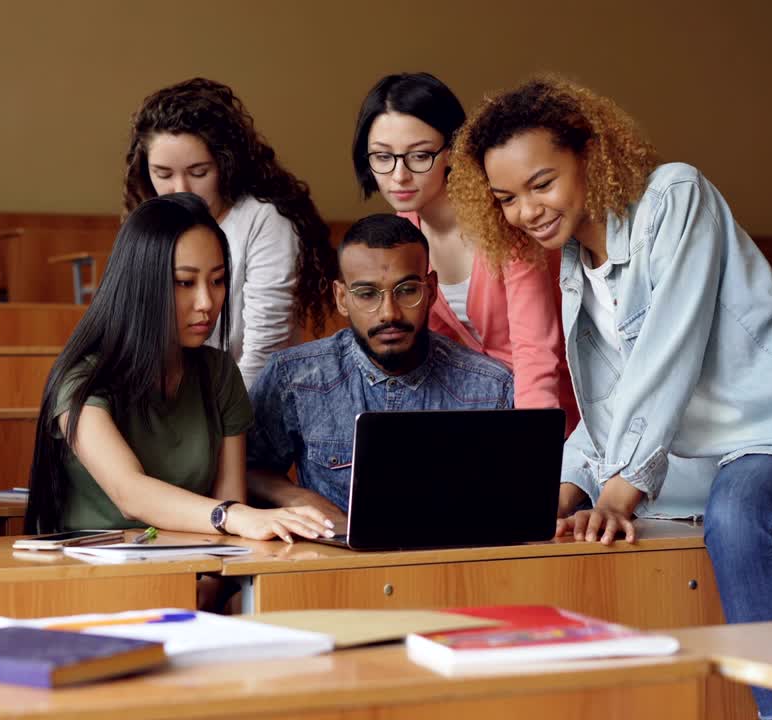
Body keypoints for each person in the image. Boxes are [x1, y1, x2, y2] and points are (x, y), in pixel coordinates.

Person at [453, 76, 772, 719]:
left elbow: (669, 349)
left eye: (542, 183)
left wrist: (621, 489)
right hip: (764, 442)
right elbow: (611, 403)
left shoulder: (674, 195)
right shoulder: (572, 273)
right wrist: (559, 491)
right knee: (736, 519)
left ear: (589, 156)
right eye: (506, 198)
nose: (527, 211)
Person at [26, 192, 334, 544]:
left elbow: (230, 499)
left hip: (197, 565)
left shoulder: (219, 373)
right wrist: (232, 517)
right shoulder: (82, 379)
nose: (206, 302)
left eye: (217, 281)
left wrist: (212, 582)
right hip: (96, 576)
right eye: (185, 283)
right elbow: (132, 495)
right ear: (142, 284)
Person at [247, 214, 515, 526]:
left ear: (430, 290)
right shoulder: (293, 377)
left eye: (406, 290)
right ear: (342, 298)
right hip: (334, 567)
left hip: (451, 569)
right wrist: (301, 499)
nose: (389, 313)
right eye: (366, 294)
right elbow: (248, 468)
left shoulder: (492, 388)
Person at [353, 72, 577, 438]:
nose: (399, 176)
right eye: (382, 157)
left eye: (420, 155)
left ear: (453, 150)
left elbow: (536, 355)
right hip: (473, 423)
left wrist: (534, 455)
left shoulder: (505, 221)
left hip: (555, 422)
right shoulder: (404, 230)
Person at [123, 78, 337, 387]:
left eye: (199, 173)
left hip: (251, 403)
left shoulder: (263, 219)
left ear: (225, 164)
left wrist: (221, 423)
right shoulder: (153, 226)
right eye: (163, 174)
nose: (181, 189)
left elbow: (263, 351)